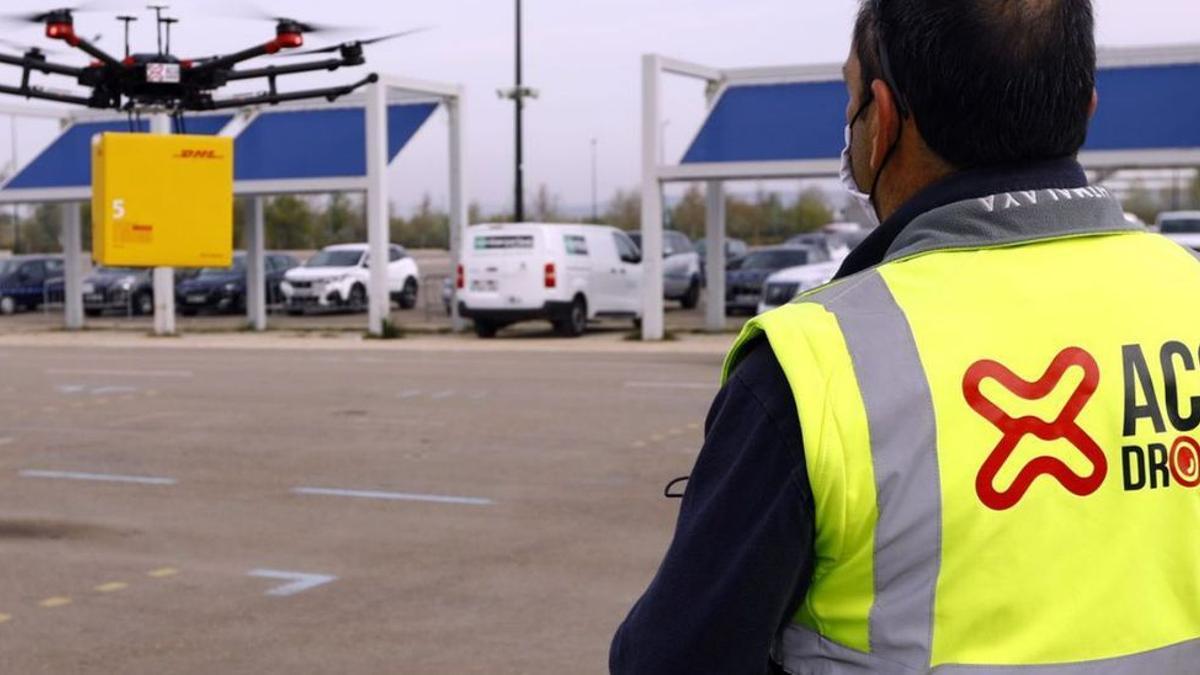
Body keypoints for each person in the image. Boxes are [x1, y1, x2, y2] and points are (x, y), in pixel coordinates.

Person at [611, 0, 1200, 672]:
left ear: (881, 119)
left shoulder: (817, 362)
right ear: (1087, 108)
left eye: (850, 100)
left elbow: (670, 658)